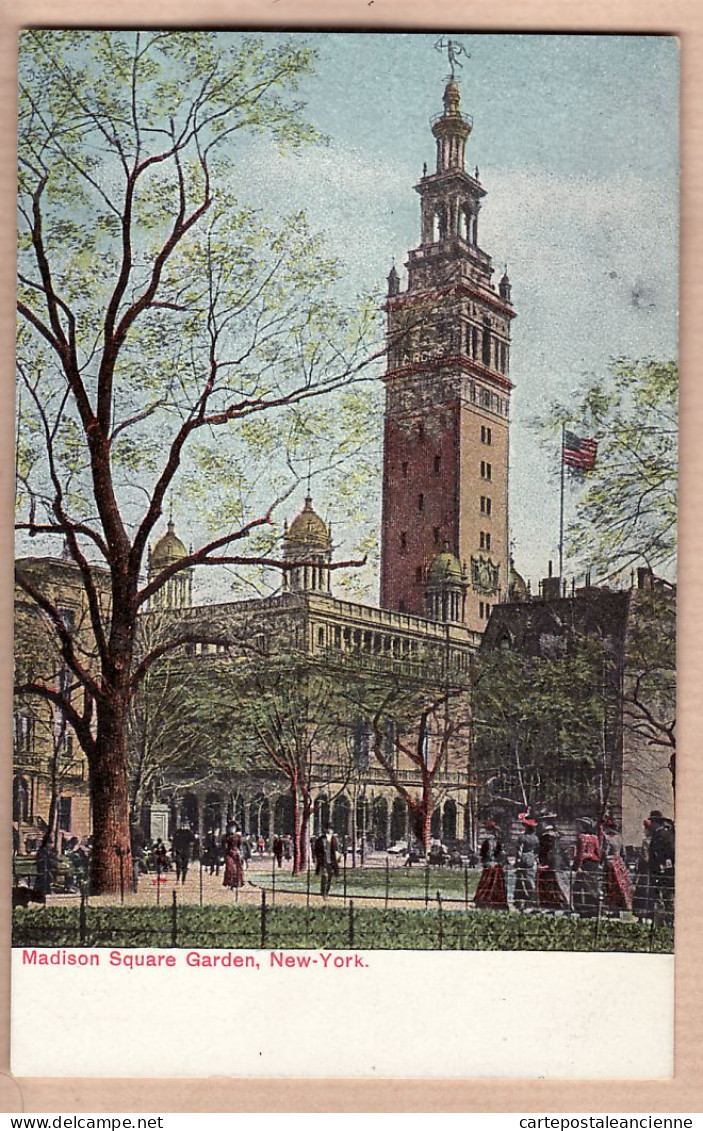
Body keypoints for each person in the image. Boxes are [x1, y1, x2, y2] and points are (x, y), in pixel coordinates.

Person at [600, 816, 632, 915]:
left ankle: (612, 907)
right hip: (619, 862)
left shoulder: (607, 837)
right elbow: (624, 853)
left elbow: (605, 851)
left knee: (610, 885)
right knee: (622, 885)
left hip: (611, 863)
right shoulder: (620, 837)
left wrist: (603, 861)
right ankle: (624, 905)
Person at [571, 817, 602, 918]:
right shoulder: (595, 838)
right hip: (593, 864)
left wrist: (577, 866)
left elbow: (580, 853)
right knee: (593, 886)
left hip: (584, 863)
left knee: (579, 886)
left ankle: (581, 908)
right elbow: (598, 852)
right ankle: (594, 908)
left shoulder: (581, 837)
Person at [537, 820, 570, 912]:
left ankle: (559, 903)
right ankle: (555, 903)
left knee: (556, 884)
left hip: (553, 864)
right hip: (552, 864)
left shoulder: (550, 842)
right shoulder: (554, 842)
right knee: (553, 884)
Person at [648, 809, 675, 922]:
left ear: (656, 823)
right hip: (657, 870)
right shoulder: (658, 834)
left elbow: (669, 851)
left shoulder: (664, 835)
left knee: (665, 896)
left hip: (663, 870)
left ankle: (667, 919)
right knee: (660, 896)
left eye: (653, 822)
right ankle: (662, 920)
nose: (651, 825)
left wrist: (664, 864)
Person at [474, 821, 508, 910]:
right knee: (495, 883)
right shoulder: (497, 842)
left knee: (488, 883)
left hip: (490, 865)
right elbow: (499, 855)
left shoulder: (487, 842)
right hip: (495, 865)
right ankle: (494, 901)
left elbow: (483, 854)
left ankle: (485, 900)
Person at [513, 813, 539, 911]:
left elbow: (519, 851)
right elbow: (537, 851)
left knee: (521, 880)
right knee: (531, 880)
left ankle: (521, 901)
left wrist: (517, 862)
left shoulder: (523, 838)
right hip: (532, 859)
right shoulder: (536, 838)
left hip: (524, 858)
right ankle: (532, 900)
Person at [632, 819, 654, 919]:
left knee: (642, 891)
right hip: (653, 868)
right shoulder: (655, 839)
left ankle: (641, 914)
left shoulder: (646, 841)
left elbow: (645, 857)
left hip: (645, 869)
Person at [314, 824, 339, 898]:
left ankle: (326, 890)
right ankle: (323, 892)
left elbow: (336, 849)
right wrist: (317, 859)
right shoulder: (320, 839)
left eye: (330, 829)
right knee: (324, 876)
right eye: (327, 829)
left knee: (330, 877)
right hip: (323, 861)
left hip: (331, 861)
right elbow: (316, 850)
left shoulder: (334, 839)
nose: (328, 830)